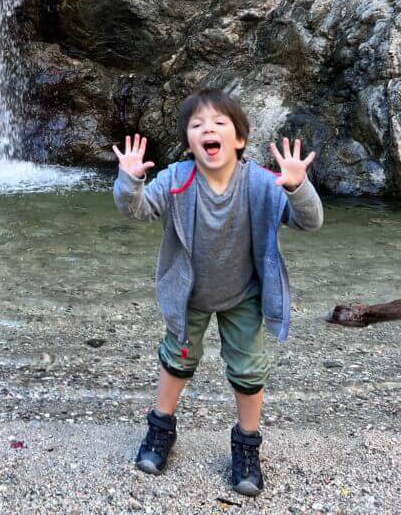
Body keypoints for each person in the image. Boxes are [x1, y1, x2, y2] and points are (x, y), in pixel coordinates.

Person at [112, 88, 323, 497]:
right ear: (190, 143)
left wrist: (299, 188)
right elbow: (135, 210)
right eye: (197, 125)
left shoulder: (262, 183)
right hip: (189, 295)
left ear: (240, 139)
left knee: (249, 371)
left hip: (242, 295)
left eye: (219, 123)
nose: (208, 129)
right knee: (176, 361)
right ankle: (161, 429)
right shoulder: (176, 179)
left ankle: (246, 445)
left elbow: (309, 222)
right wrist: (130, 180)